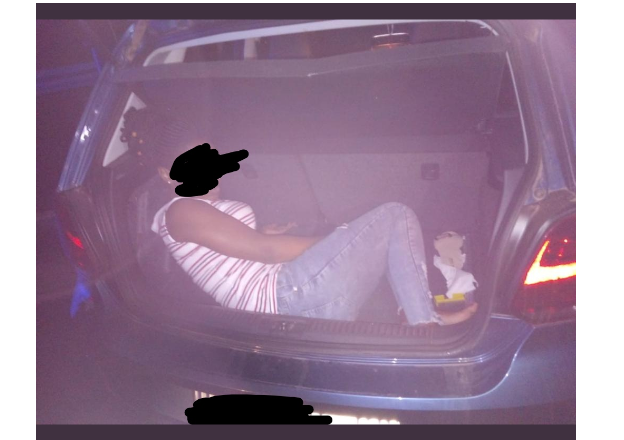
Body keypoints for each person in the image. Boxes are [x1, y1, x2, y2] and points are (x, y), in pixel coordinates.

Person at [124, 108, 478, 325]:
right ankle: (423, 325)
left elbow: (238, 252)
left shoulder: (199, 206)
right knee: (394, 216)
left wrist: (265, 232)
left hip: (294, 300)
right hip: (287, 298)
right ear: (166, 174)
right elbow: (264, 252)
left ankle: (418, 314)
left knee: (372, 237)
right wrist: (338, 241)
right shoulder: (181, 210)